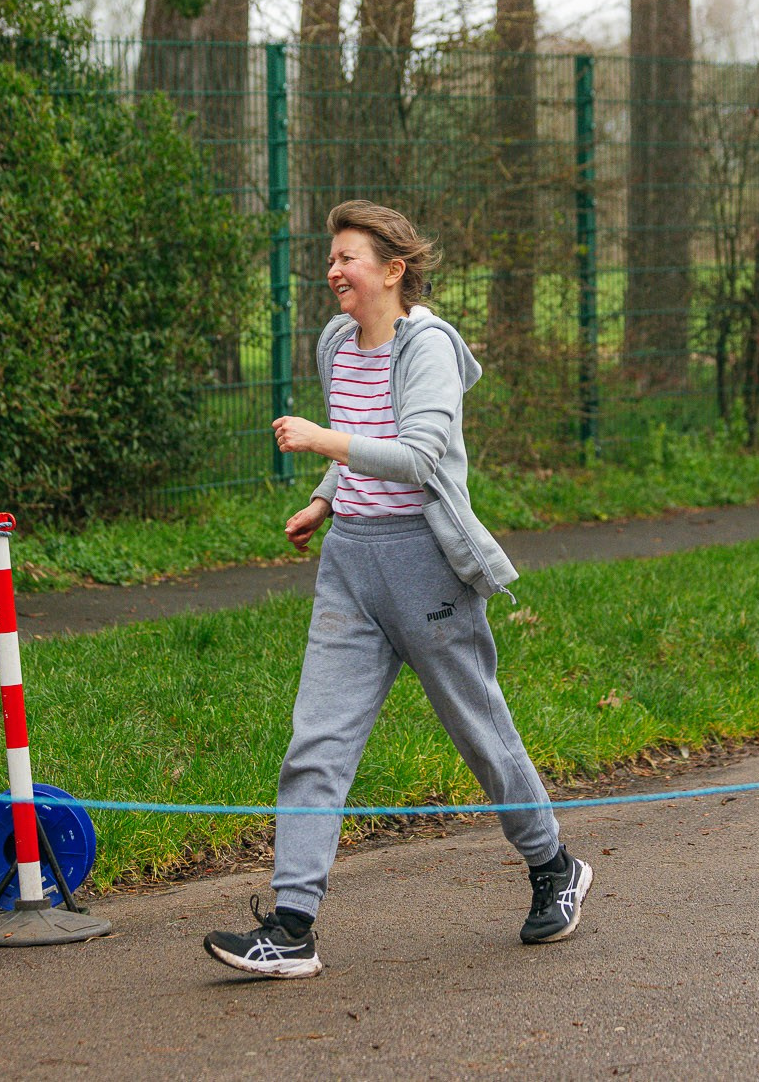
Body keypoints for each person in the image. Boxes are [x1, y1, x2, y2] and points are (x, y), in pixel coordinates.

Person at [202, 200, 591, 978]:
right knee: (317, 738)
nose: (334, 270)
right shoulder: (336, 344)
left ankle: (553, 866)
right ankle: (291, 925)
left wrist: (322, 439)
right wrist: (323, 494)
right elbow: (359, 435)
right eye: (333, 256)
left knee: (478, 729)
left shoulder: (430, 350)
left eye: (348, 257)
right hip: (351, 562)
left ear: (393, 269)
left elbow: (416, 454)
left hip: (425, 563)